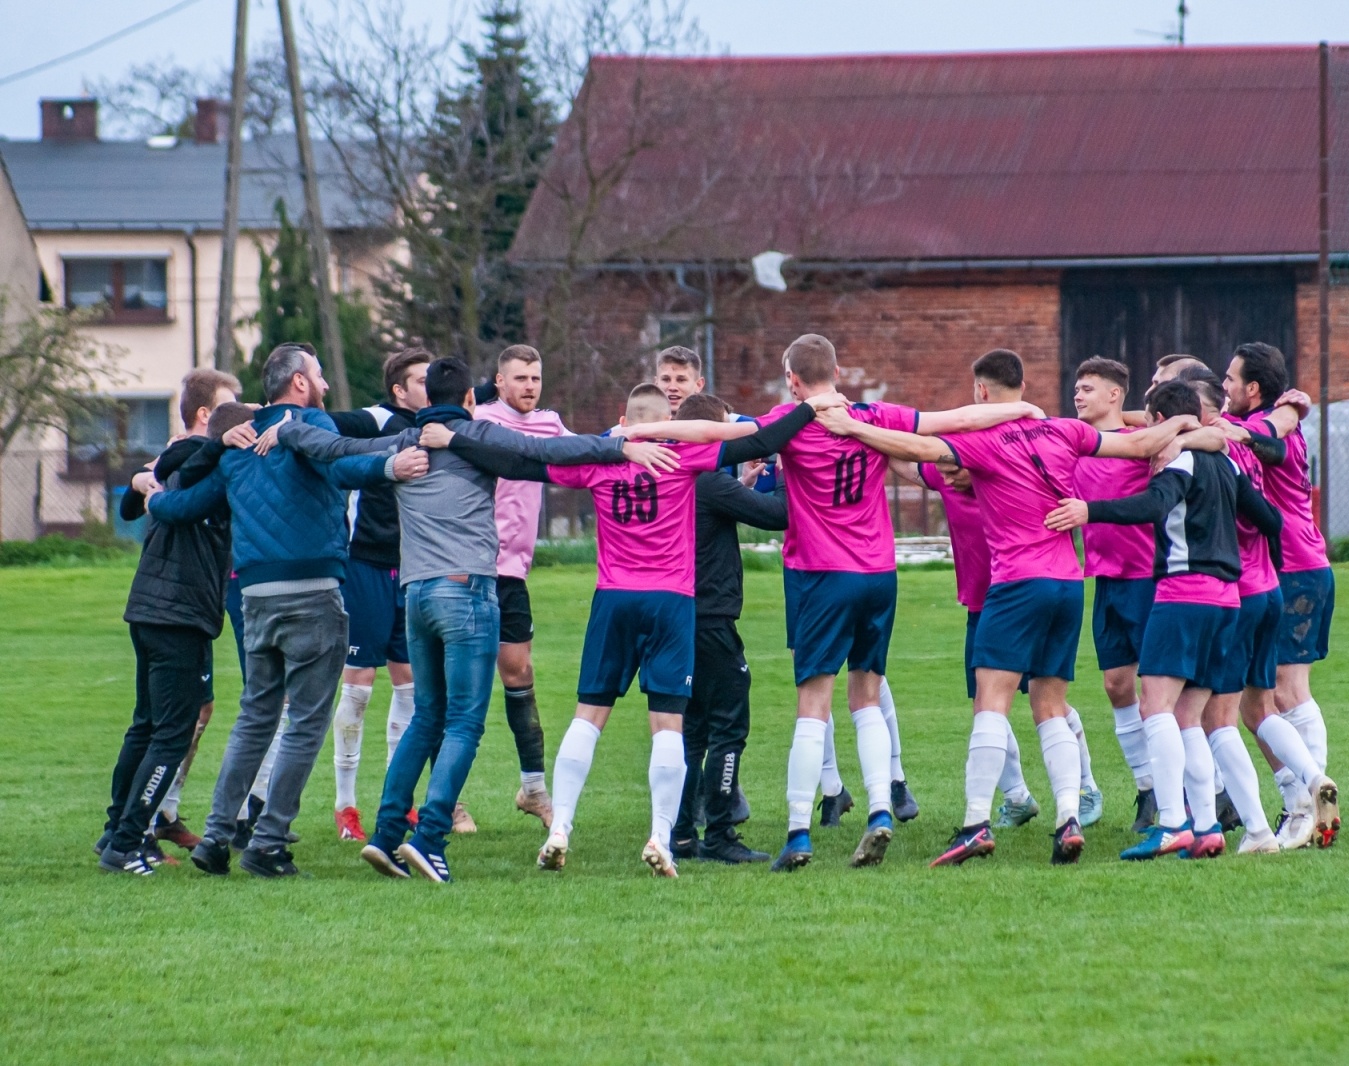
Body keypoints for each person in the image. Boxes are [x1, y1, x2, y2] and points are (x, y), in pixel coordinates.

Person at [265, 358, 660, 882]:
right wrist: (619, 445)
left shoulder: (405, 441)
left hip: (415, 593)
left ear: (426, 399)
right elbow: (547, 451)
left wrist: (283, 426)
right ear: (470, 400)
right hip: (466, 590)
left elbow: (335, 450)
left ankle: (386, 836)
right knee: (464, 723)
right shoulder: (479, 437)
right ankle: (429, 838)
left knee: (427, 716)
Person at [816, 349, 1213, 868]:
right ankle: (1069, 817)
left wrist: (852, 427)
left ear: (982, 395)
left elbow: (914, 448)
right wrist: (1184, 419)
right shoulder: (1063, 432)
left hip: (1016, 584)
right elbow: (1138, 441)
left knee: (991, 702)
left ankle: (975, 823)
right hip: (1068, 584)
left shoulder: (979, 442)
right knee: (1051, 705)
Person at [428, 383, 831, 877]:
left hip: (614, 598)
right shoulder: (684, 456)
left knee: (588, 716)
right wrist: (811, 409)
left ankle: (562, 827)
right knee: (668, 723)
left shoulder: (599, 460)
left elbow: (519, 461)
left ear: (623, 417)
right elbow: (759, 441)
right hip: (671, 601)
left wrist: (455, 440)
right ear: (668, 421)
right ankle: (662, 836)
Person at [758, 336, 1044, 874]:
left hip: (822, 575)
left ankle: (798, 832)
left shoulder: (790, 420)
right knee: (866, 694)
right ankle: (880, 810)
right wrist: (1020, 408)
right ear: (839, 370)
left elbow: (741, 438)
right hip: (877, 574)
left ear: (793, 379)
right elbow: (948, 420)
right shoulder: (875, 415)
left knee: (813, 704)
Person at [146, 344, 430, 878]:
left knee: (255, 717)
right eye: (318, 374)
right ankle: (268, 842)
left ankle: (215, 837)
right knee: (304, 722)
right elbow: (351, 466)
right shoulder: (311, 430)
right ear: (299, 383)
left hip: (254, 599)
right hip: (314, 592)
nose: (323, 383)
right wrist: (399, 459)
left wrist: (151, 493)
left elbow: (185, 506)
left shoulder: (238, 444)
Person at [1048, 380, 1281, 862]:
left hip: (1183, 595)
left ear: (1157, 421)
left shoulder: (1181, 459)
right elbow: (1271, 521)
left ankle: (1173, 823)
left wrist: (1090, 510)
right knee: (1191, 718)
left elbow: (1152, 506)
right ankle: (1235, 828)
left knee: (1155, 707)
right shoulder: (1227, 462)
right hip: (1228, 602)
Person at [96, 375, 242, 874]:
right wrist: (147, 481)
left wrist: (145, 477)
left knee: (149, 725)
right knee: (172, 734)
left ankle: (116, 832)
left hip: (153, 608)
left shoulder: (173, 459)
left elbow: (134, 498)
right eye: (231, 406)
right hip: (178, 614)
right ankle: (128, 843)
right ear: (205, 416)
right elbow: (141, 502)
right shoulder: (201, 462)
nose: (240, 416)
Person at [1179, 367, 1303, 854]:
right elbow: (1271, 518)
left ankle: (1252, 829)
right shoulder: (1245, 444)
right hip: (1268, 586)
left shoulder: (1211, 453)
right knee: (1261, 707)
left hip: (1234, 592)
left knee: (1215, 718)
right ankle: (1310, 783)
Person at [1222, 342, 1341, 848]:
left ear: (1253, 388)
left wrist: (1245, 427)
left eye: (1231, 379)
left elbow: (1269, 443)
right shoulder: (1275, 418)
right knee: (1272, 698)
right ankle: (1311, 798)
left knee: (1279, 696)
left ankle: (1303, 803)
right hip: (1302, 567)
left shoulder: (1275, 423)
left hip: (1290, 569)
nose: (1225, 387)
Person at [667, 392, 790, 864]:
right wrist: (778, 470)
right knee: (729, 727)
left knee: (692, 730)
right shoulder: (707, 481)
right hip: (711, 619)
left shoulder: (677, 473)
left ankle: (680, 834)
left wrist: (739, 482)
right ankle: (719, 833)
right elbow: (777, 516)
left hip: (679, 615)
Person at [322, 346, 430, 843]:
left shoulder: (438, 427)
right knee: (360, 687)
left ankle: (397, 800)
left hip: (412, 571)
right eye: (420, 381)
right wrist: (260, 418)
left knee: (409, 685)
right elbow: (315, 421)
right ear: (398, 389)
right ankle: (346, 806)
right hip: (364, 565)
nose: (428, 388)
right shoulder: (374, 420)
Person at [896, 457, 1040, 828]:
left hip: (1022, 596)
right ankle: (1019, 796)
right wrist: (866, 433)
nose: (948, 472)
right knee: (986, 705)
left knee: (1047, 701)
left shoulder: (1010, 474)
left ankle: (1081, 791)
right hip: (984, 606)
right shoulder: (944, 478)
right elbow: (909, 466)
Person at [473, 344, 570, 828]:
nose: (529, 386)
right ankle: (445, 802)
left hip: (512, 575)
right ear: (499, 380)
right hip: (468, 570)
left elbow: (583, 457)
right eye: (520, 378)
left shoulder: (550, 425)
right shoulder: (482, 420)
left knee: (519, 672)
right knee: (456, 686)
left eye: (535, 377)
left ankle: (533, 789)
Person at [1069, 357, 1158, 830]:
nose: (1078, 395)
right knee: (1115, 685)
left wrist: (1141, 418)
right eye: (1076, 389)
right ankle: (1147, 788)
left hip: (1147, 578)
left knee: (1158, 694)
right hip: (1105, 579)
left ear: (1114, 395)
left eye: (1087, 388)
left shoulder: (1140, 444)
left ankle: (1195, 792)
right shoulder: (1074, 444)